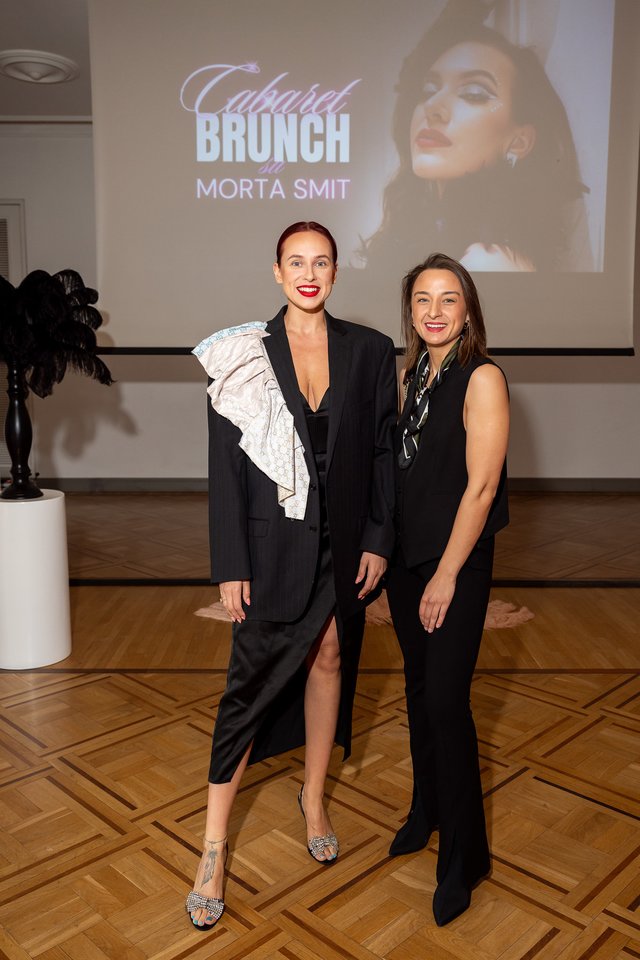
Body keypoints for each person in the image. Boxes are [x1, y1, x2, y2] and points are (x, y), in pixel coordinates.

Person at [187, 220, 396, 929]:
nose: (310, 274)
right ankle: (213, 847)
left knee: (331, 655)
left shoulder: (370, 350)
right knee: (245, 692)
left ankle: (313, 797)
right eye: (296, 262)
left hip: (345, 542)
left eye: (322, 262)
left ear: (336, 271)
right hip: (270, 547)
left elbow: (382, 453)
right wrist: (230, 564)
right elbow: (225, 467)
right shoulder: (244, 353)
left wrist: (377, 539)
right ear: (277, 271)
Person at [386, 251, 509, 926]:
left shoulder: (481, 377)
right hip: (408, 561)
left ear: (468, 311)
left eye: (448, 299)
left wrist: (445, 574)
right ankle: (425, 810)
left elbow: (481, 488)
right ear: (410, 311)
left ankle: (466, 858)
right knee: (416, 692)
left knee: (445, 702)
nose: (434, 312)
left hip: (454, 564)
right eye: (422, 300)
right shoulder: (412, 376)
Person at [362, 9, 591, 274]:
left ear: (519, 141)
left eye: (473, 93)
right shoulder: (431, 238)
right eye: (429, 90)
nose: (433, 105)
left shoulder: (488, 261)